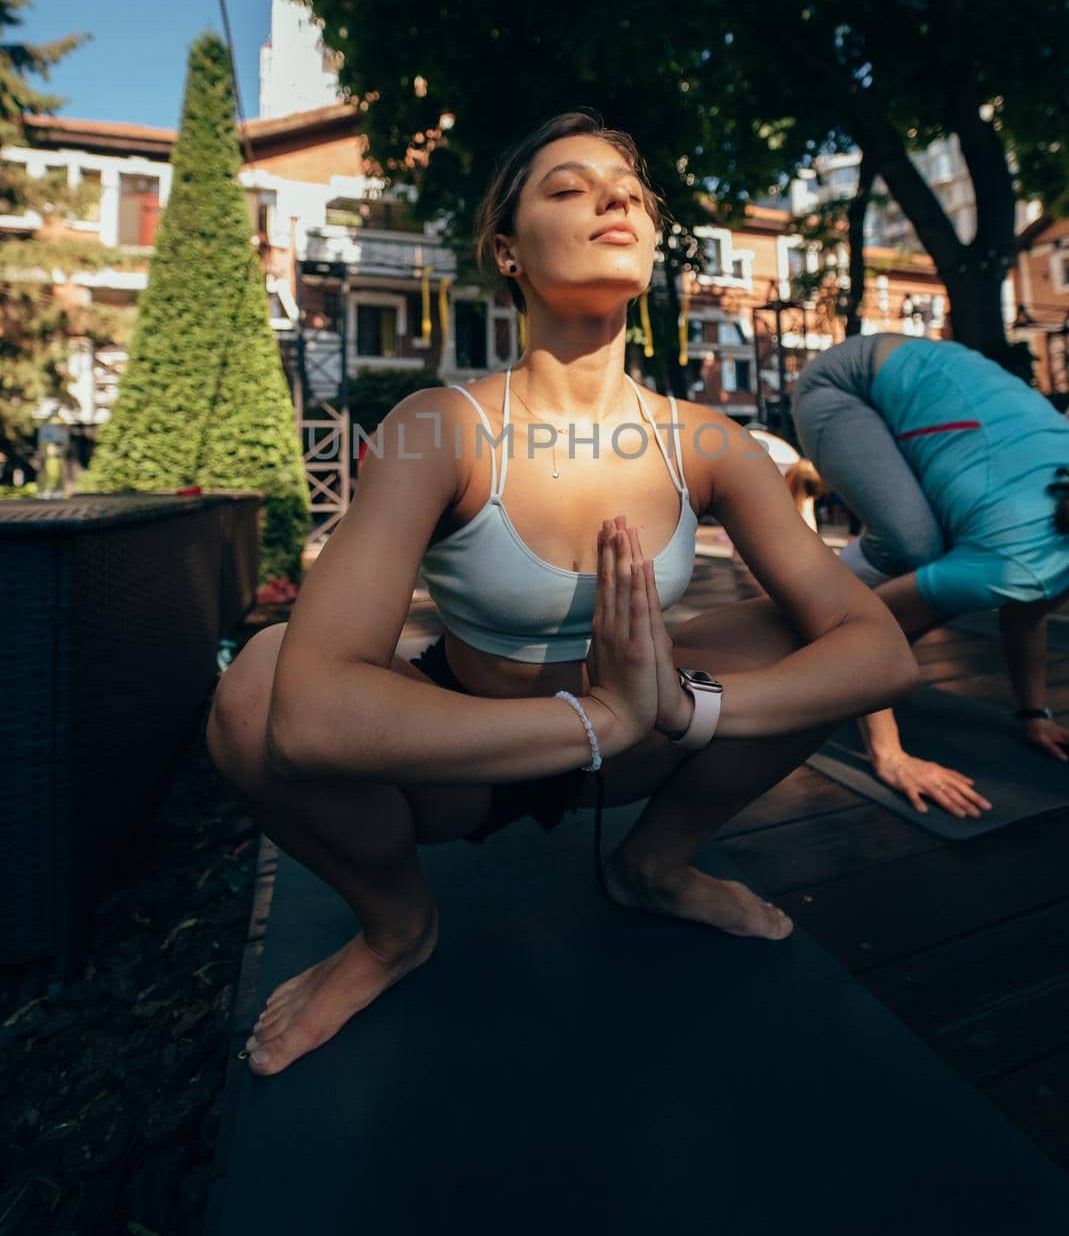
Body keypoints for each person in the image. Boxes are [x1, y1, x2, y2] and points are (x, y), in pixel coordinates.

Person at [206, 110, 916, 1077]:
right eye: (568, 187)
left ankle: (654, 865)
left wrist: (675, 707)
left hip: (638, 747)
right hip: (460, 762)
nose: (614, 197)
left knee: (812, 640)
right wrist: (600, 717)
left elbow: (876, 649)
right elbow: (309, 714)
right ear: (507, 249)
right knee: (256, 686)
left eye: (627, 187)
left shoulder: (708, 440)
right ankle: (394, 929)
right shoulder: (436, 429)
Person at [791, 332, 1069, 820]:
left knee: (931, 556)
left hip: (930, 375)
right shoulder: (1016, 562)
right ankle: (804, 603)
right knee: (912, 548)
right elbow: (872, 624)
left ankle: (818, 604)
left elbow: (1025, 617)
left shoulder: (1039, 567)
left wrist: (1034, 714)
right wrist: (889, 754)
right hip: (845, 382)